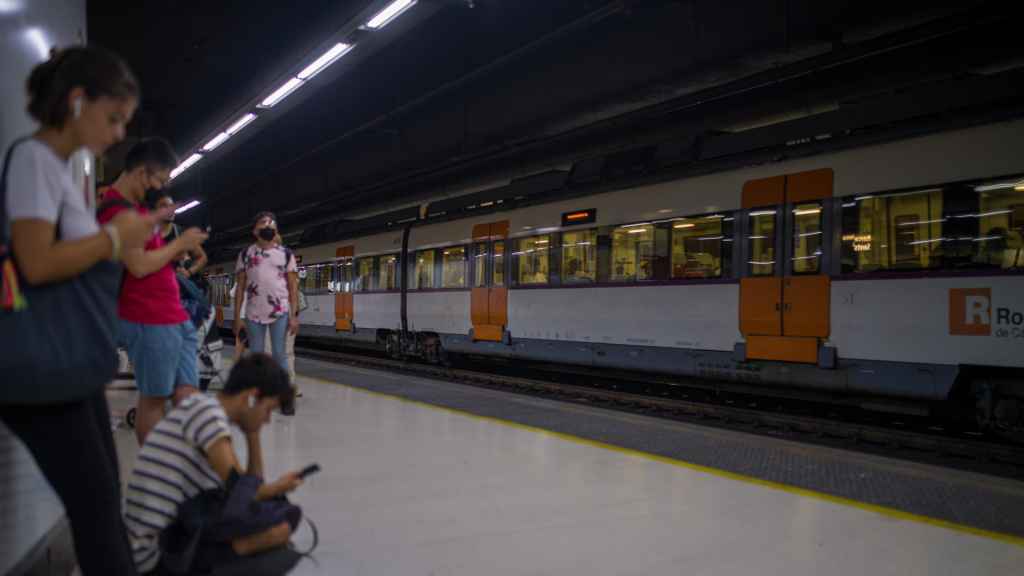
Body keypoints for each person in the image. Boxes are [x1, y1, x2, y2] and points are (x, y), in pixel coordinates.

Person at [0, 46, 166, 576]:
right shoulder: (32, 160)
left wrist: (118, 238)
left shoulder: (54, 168)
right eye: (113, 117)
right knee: (96, 513)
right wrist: (115, 238)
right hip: (45, 372)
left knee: (99, 506)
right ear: (77, 101)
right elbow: (37, 261)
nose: (119, 134)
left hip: (67, 369)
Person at [124, 353, 301, 574]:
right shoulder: (208, 417)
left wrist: (252, 433)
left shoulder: (205, 411)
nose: (266, 420)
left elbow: (245, 488)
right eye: (267, 410)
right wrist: (276, 488)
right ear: (251, 397)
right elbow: (241, 498)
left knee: (280, 522)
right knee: (277, 533)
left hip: (165, 537)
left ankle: (231, 551)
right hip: (153, 552)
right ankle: (232, 551)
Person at [97, 138, 208, 444]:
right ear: (143, 172)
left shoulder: (134, 209)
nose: (159, 188)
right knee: (154, 401)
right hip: (149, 319)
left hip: (174, 317)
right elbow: (138, 266)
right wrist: (179, 244)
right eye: (159, 179)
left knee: (187, 395)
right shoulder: (117, 211)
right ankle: (154, 473)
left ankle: (180, 463)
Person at [233, 213, 299, 397]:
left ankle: (285, 396)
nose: (268, 225)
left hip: (280, 311)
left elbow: (293, 287)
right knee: (257, 355)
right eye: (263, 223)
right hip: (253, 312)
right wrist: (237, 317)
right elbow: (240, 288)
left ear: (276, 230)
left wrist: (293, 316)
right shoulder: (245, 255)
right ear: (255, 230)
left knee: (280, 354)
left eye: (272, 223)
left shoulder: (286, 254)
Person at [149, 190, 207, 279]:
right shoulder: (147, 235)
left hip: (177, 287)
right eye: (164, 206)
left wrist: (189, 272)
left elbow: (202, 257)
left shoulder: (181, 233)